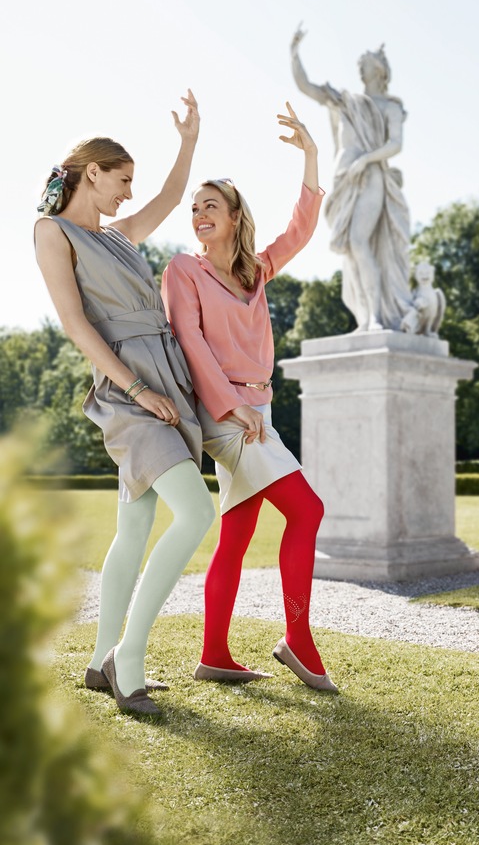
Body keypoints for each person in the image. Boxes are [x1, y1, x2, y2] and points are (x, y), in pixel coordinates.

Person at [34, 92, 216, 716]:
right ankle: (127, 659)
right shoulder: (52, 232)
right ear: (93, 172)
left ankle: (97, 659)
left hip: (164, 375)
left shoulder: (119, 236)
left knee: (134, 528)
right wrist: (138, 390)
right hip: (127, 388)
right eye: (122, 181)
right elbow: (77, 326)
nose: (129, 195)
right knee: (197, 515)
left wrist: (189, 143)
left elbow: (168, 198)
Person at [161, 103, 336, 692]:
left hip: (257, 412)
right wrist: (230, 407)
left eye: (211, 204)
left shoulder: (255, 272)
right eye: (195, 207)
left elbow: (301, 230)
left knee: (236, 535)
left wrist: (311, 154)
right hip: (228, 416)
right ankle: (298, 639)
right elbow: (189, 339)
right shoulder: (182, 270)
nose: (199, 212)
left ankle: (214, 653)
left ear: (235, 217)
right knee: (307, 511)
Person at [290, 26, 412, 331]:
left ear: (381, 70)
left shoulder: (390, 106)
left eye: (367, 62)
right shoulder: (346, 101)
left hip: (370, 175)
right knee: (352, 249)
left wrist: (365, 159)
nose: (361, 66)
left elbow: (395, 144)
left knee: (358, 240)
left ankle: (375, 316)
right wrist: (294, 52)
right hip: (344, 176)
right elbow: (307, 86)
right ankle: (365, 316)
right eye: (359, 63)